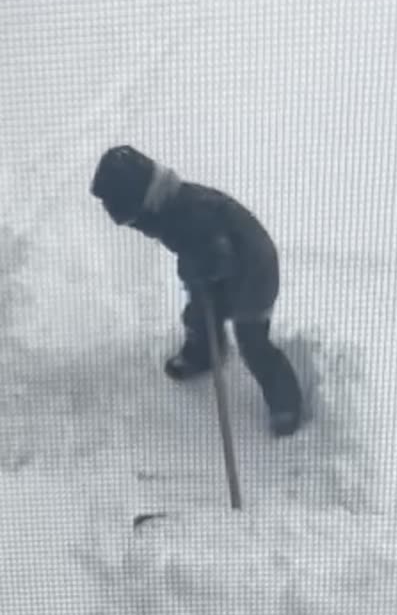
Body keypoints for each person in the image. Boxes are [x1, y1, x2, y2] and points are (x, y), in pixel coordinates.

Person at [89, 145, 303, 436]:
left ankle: (286, 405)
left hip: (255, 273)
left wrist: (208, 274)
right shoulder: (171, 204)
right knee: (198, 316)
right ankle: (203, 356)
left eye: (135, 221)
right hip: (228, 270)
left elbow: (218, 252)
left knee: (253, 342)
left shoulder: (190, 211)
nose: (138, 229)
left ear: (144, 203)